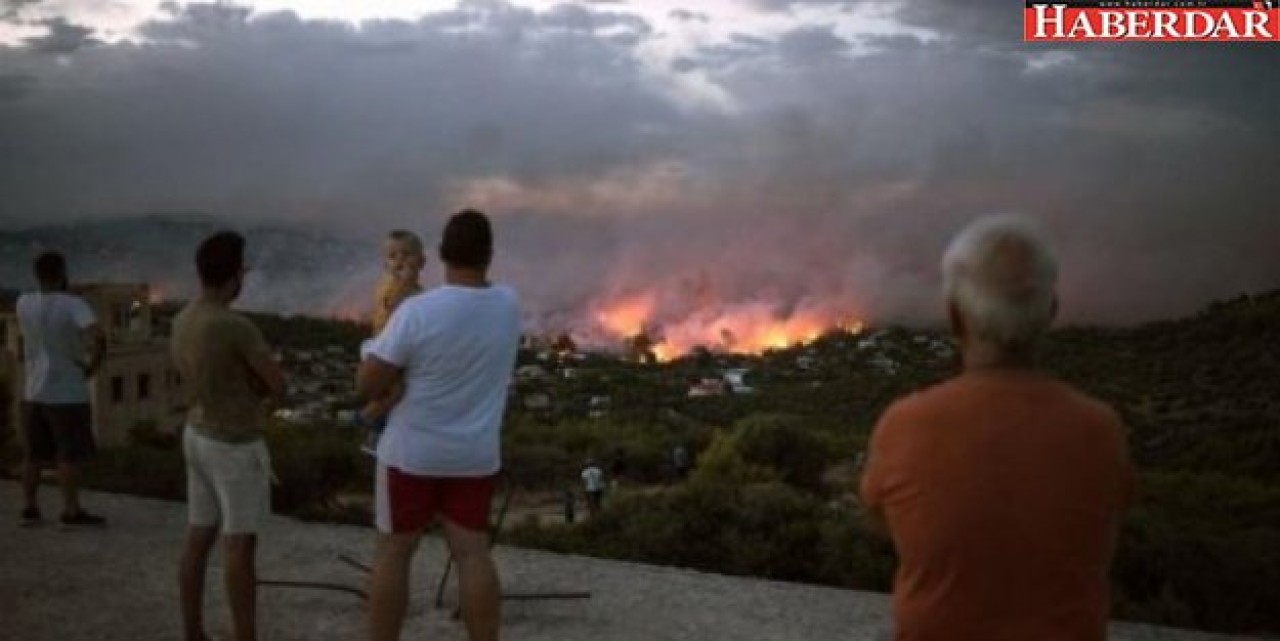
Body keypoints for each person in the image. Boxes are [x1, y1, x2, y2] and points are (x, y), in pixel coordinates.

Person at [859, 215, 1137, 641]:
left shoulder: (905, 425)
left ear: (954, 316)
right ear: (1050, 312)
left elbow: (885, 525)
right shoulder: (1100, 430)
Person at [358, 209, 521, 641]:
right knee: (473, 554)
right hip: (474, 455)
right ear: (489, 255)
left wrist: (373, 344)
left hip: (411, 454)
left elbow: (368, 382)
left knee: (394, 553)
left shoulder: (417, 311)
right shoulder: (508, 305)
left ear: (442, 254)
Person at [171, 231, 285, 641]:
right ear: (235, 275)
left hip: (197, 433)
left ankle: (193, 631)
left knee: (199, 535)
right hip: (235, 443)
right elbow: (277, 385)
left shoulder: (183, 318)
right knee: (239, 546)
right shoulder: (234, 326)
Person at [16, 251, 107, 528]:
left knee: (33, 454)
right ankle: (71, 510)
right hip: (67, 391)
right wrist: (93, 365)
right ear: (63, 272)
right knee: (68, 454)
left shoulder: (24, 302)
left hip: (34, 390)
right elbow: (97, 335)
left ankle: (30, 507)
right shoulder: (74, 305)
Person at [358, 230, 426, 454]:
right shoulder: (392, 287)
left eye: (407, 254)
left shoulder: (418, 292)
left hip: (395, 350)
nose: (400, 261)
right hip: (382, 348)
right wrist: (405, 283)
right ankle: (369, 418)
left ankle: (376, 433)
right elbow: (397, 311)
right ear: (385, 264)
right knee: (397, 390)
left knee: (398, 392)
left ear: (422, 261)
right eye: (393, 256)